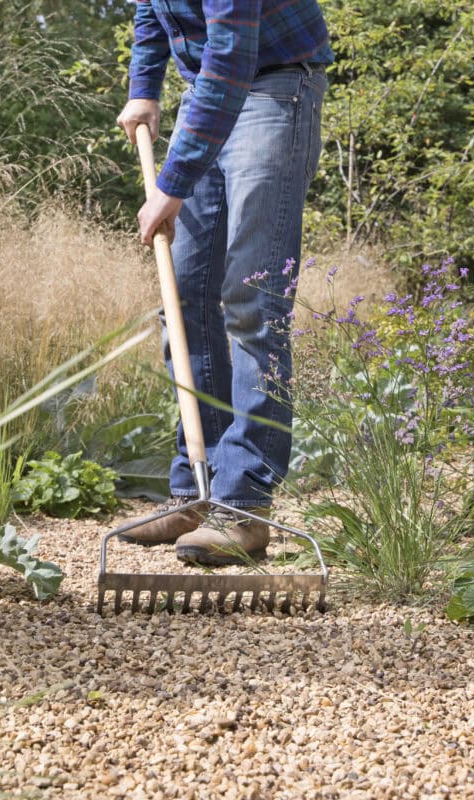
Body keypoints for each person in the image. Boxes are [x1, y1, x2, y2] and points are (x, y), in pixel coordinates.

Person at [114, 0, 331, 566]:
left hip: (273, 88)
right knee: (182, 296)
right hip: (208, 90)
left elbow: (234, 51)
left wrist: (174, 181)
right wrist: (145, 85)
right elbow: (148, 10)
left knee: (251, 299)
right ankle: (197, 489)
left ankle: (243, 504)